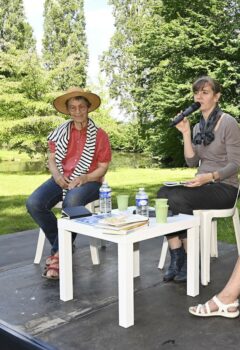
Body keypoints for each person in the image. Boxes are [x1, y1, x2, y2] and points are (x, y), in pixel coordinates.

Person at [157, 76, 240, 283]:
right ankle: (179, 256)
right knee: (163, 193)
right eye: (196, 92)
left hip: (224, 187)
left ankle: (190, 259)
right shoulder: (197, 128)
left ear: (216, 96)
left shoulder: (228, 122)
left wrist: (210, 177)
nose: (199, 96)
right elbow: (192, 162)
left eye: (205, 92)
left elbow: (236, 164)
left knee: (178, 198)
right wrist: (185, 132)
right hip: (203, 183)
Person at [26, 87, 112, 279]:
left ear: (88, 108)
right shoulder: (59, 132)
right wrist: (57, 176)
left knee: (71, 203)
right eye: (72, 107)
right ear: (68, 110)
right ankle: (63, 244)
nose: (77, 111)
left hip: (89, 181)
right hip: (61, 178)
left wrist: (85, 177)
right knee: (34, 203)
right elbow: (52, 159)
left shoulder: (100, 135)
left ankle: (58, 254)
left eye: (81, 106)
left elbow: (103, 167)